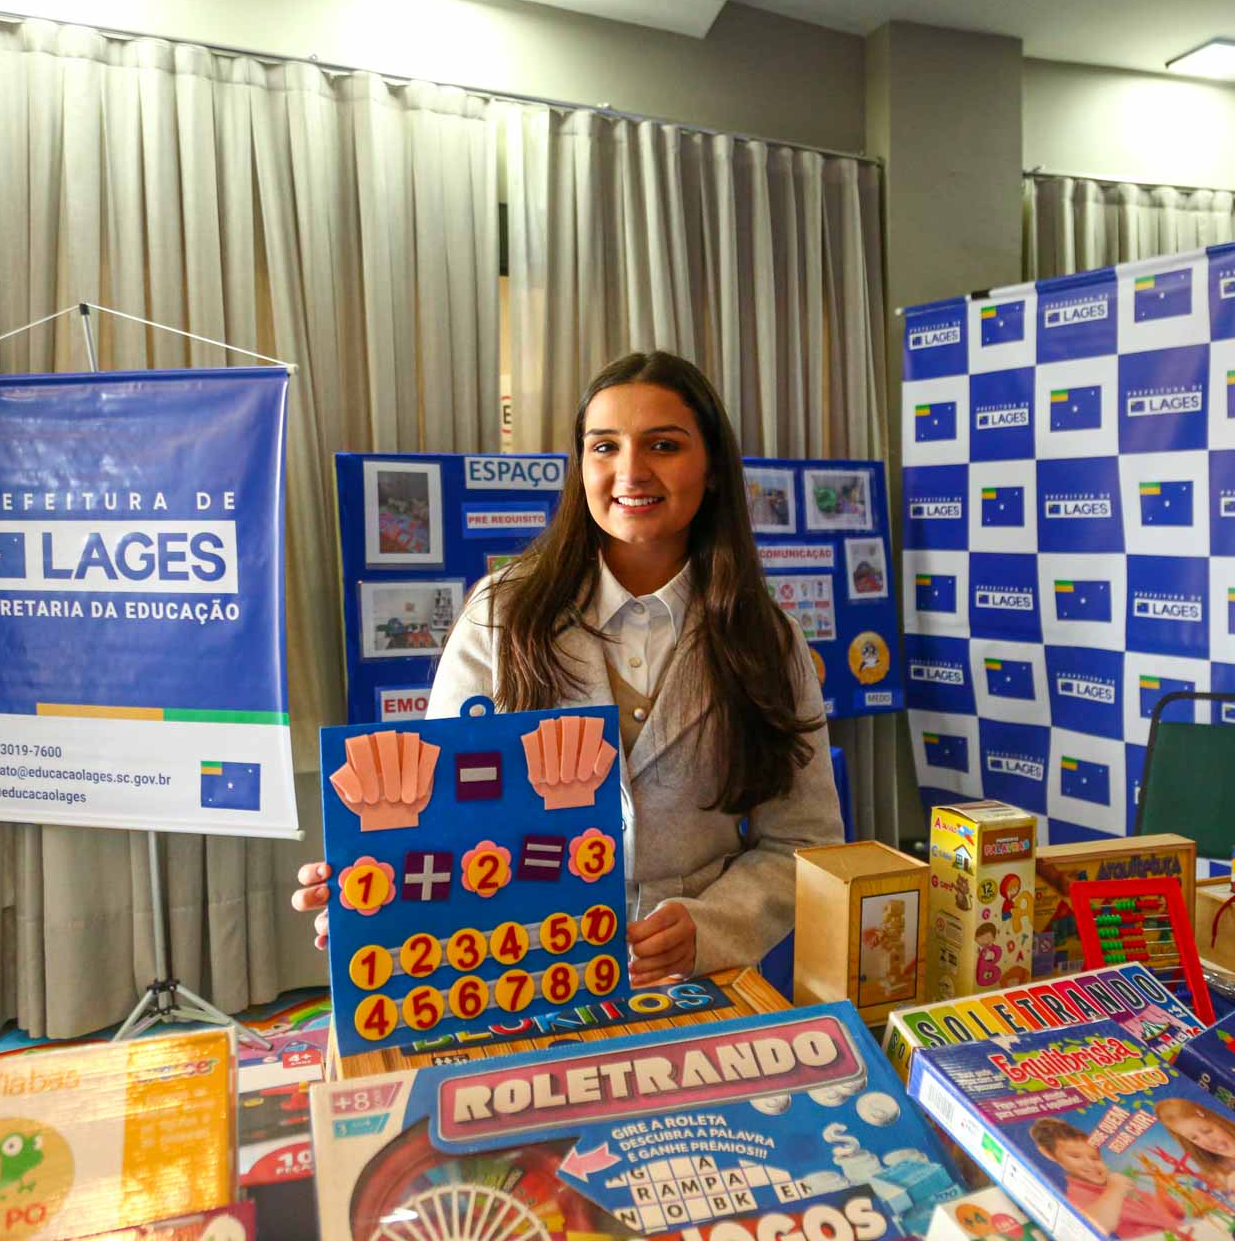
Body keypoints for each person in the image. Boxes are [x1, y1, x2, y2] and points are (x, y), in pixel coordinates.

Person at [293, 351, 843, 984]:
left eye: (663, 445)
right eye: (604, 446)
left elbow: (802, 842)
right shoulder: (502, 613)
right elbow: (435, 812)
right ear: (580, 465)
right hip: (519, 961)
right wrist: (376, 889)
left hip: (693, 976)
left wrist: (714, 925)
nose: (629, 472)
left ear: (713, 468)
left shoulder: (767, 639)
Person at [1029, 1117, 1184, 1238]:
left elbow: (1176, 1213)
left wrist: (1164, 1191)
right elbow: (1097, 1224)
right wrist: (1115, 1190)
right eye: (1075, 1156)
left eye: (1095, 1158)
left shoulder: (1117, 1185)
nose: (1090, 1164)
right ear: (1049, 1154)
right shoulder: (1080, 1194)